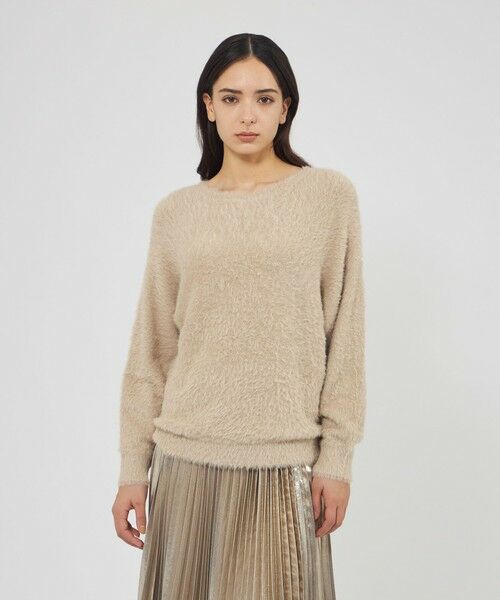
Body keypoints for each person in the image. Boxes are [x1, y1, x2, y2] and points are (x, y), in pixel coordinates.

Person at [111, 32, 366, 600]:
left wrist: (337, 458)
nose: (247, 114)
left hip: (285, 461)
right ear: (208, 106)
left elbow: (345, 337)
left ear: (285, 107)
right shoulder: (177, 213)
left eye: (264, 98)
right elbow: (152, 350)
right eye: (230, 98)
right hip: (185, 461)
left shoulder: (328, 197)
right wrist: (133, 468)